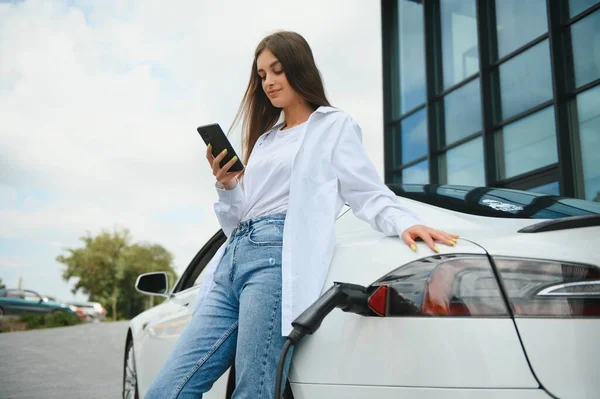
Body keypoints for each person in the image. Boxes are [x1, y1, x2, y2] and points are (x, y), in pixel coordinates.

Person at [146, 30, 458, 399]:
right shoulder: (265, 141)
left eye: (277, 70)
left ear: (299, 68)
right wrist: (228, 185)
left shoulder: (332, 126)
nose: (269, 82)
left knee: (253, 391)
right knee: (168, 389)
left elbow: (367, 192)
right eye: (262, 75)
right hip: (232, 260)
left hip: (274, 261)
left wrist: (406, 222)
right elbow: (238, 221)